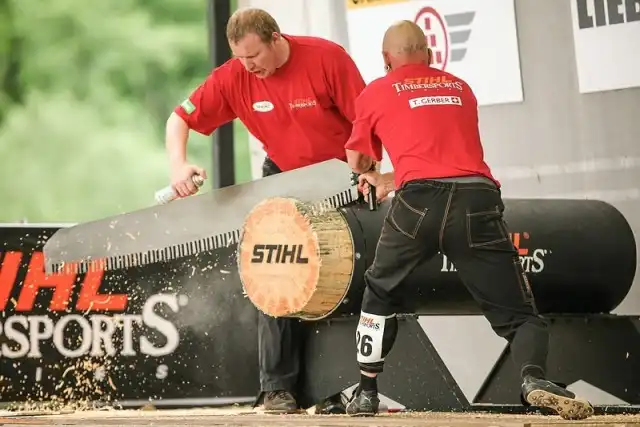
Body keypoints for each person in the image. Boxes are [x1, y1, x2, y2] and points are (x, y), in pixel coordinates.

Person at [342, 20, 595, 421]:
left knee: (378, 291)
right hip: (476, 200)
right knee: (520, 313)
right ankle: (533, 379)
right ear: (428, 54)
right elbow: (446, 158)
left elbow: (359, 160)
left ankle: (367, 392)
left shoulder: (377, 90)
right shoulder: (460, 88)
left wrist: (372, 172)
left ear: (386, 59)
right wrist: (392, 177)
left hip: (417, 205)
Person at [164, 7, 367, 413]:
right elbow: (178, 119)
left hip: (339, 177)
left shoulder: (327, 58)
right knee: (276, 270)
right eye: (240, 57)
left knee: (335, 279)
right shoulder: (233, 77)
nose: (248, 65)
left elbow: (366, 120)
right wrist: (178, 166)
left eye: (254, 55)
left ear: (276, 38)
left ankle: (333, 390)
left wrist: (366, 167)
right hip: (282, 177)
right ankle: (278, 389)